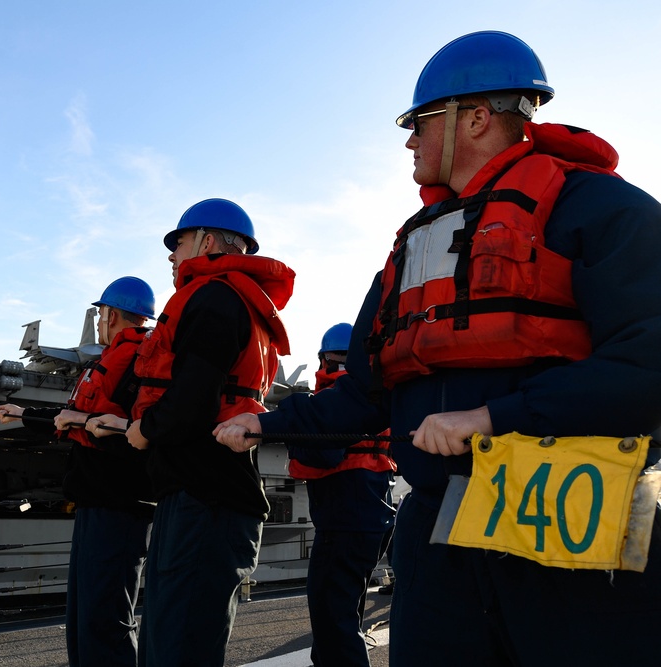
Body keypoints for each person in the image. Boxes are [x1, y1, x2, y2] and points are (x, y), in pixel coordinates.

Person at [215, 31, 661, 666]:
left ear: (473, 117)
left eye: (419, 122)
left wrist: (493, 418)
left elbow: (648, 362)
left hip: (573, 523)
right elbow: (366, 391)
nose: (409, 140)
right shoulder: (414, 246)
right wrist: (265, 424)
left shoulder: (599, 207)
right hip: (440, 530)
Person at [87, 198, 295, 666]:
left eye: (177, 242)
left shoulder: (214, 297)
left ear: (206, 241)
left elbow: (195, 395)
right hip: (203, 490)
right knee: (172, 640)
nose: (171, 253)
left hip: (204, 496)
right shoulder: (234, 298)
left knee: (176, 645)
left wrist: (145, 429)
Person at [0, 276, 156, 667]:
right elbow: (74, 416)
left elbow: (135, 433)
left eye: (101, 314)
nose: (99, 321)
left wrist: (81, 422)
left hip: (119, 505)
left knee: (106, 619)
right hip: (94, 502)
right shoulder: (113, 358)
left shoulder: (138, 361)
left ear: (111, 314)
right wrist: (24, 414)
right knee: (84, 616)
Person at [286, 322, 396, 667]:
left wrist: (290, 425)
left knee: (333, 620)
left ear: (325, 359)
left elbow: (320, 455)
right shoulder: (376, 395)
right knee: (341, 614)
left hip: (344, 518)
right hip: (375, 513)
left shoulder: (333, 398)